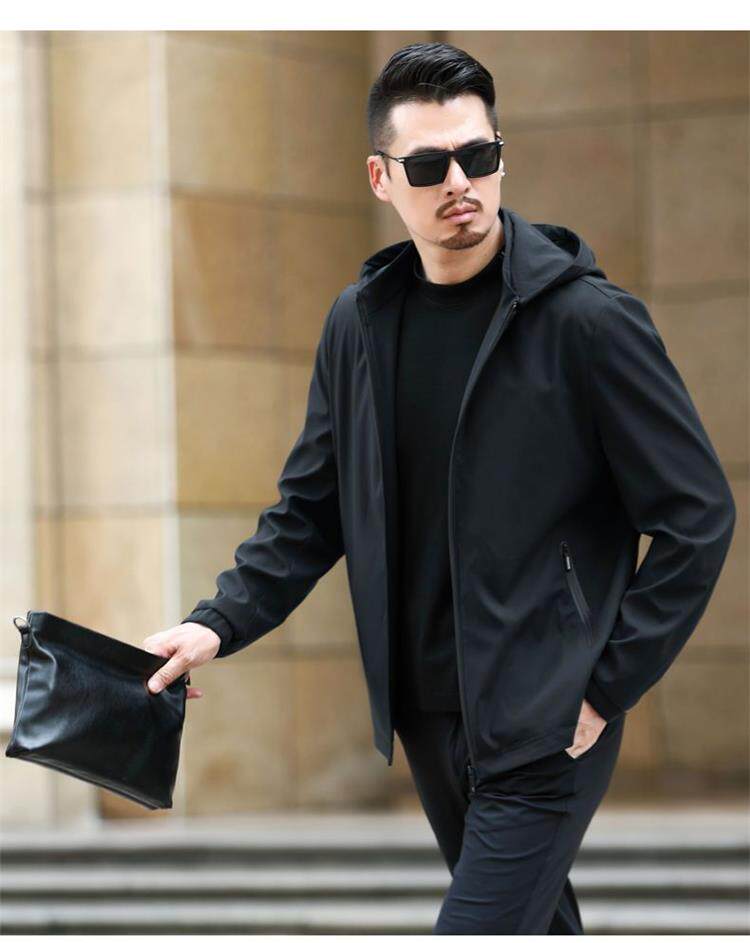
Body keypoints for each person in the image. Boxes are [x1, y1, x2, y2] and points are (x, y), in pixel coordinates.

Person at [142, 42, 736, 934]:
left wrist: (605, 687)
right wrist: (217, 622)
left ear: (500, 155)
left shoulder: (589, 323)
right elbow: (311, 510)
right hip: (425, 713)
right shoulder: (359, 325)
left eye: (479, 155)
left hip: (545, 715)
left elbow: (698, 516)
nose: (460, 182)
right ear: (381, 179)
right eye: (428, 165)